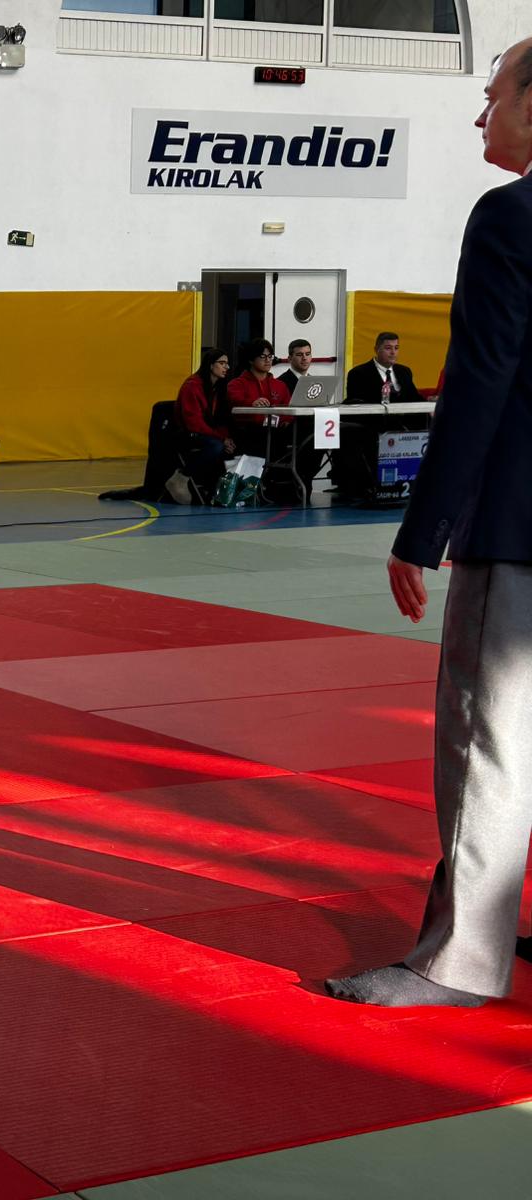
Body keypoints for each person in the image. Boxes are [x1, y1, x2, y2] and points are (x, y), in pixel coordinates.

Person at [326, 39, 532, 1007]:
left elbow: (479, 384)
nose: (480, 118)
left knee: (484, 739)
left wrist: (425, 527)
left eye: (489, 99)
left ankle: (459, 963)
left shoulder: (509, 218)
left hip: (520, 526)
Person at [336, 332, 422, 497]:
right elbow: (356, 402)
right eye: (388, 348)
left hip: (402, 422)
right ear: (376, 349)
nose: (393, 353)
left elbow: (414, 398)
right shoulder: (359, 373)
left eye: (396, 348)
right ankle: (372, 484)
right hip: (372, 423)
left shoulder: (404, 372)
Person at [226, 337, 299, 501]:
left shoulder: (279, 385)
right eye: (263, 356)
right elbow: (233, 402)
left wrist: (286, 420)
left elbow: (287, 410)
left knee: (302, 436)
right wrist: (251, 403)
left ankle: (291, 484)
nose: (267, 360)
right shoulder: (236, 384)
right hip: (250, 432)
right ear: (251, 360)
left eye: (270, 356)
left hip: (276, 432)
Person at [172, 347, 233, 498]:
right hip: (187, 434)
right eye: (222, 363)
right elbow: (194, 424)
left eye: (227, 364)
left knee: (232, 444)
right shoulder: (192, 386)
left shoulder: (218, 388)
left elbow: (222, 419)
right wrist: (221, 439)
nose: (227, 367)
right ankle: (182, 477)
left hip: (206, 433)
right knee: (216, 445)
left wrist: (227, 438)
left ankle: (216, 488)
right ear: (210, 365)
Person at [276, 338, 328, 493]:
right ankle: (301, 480)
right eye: (299, 354)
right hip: (293, 429)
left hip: (313, 428)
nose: (305, 358)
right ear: (290, 358)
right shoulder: (282, 382)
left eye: (308, 354)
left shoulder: (316, 382)